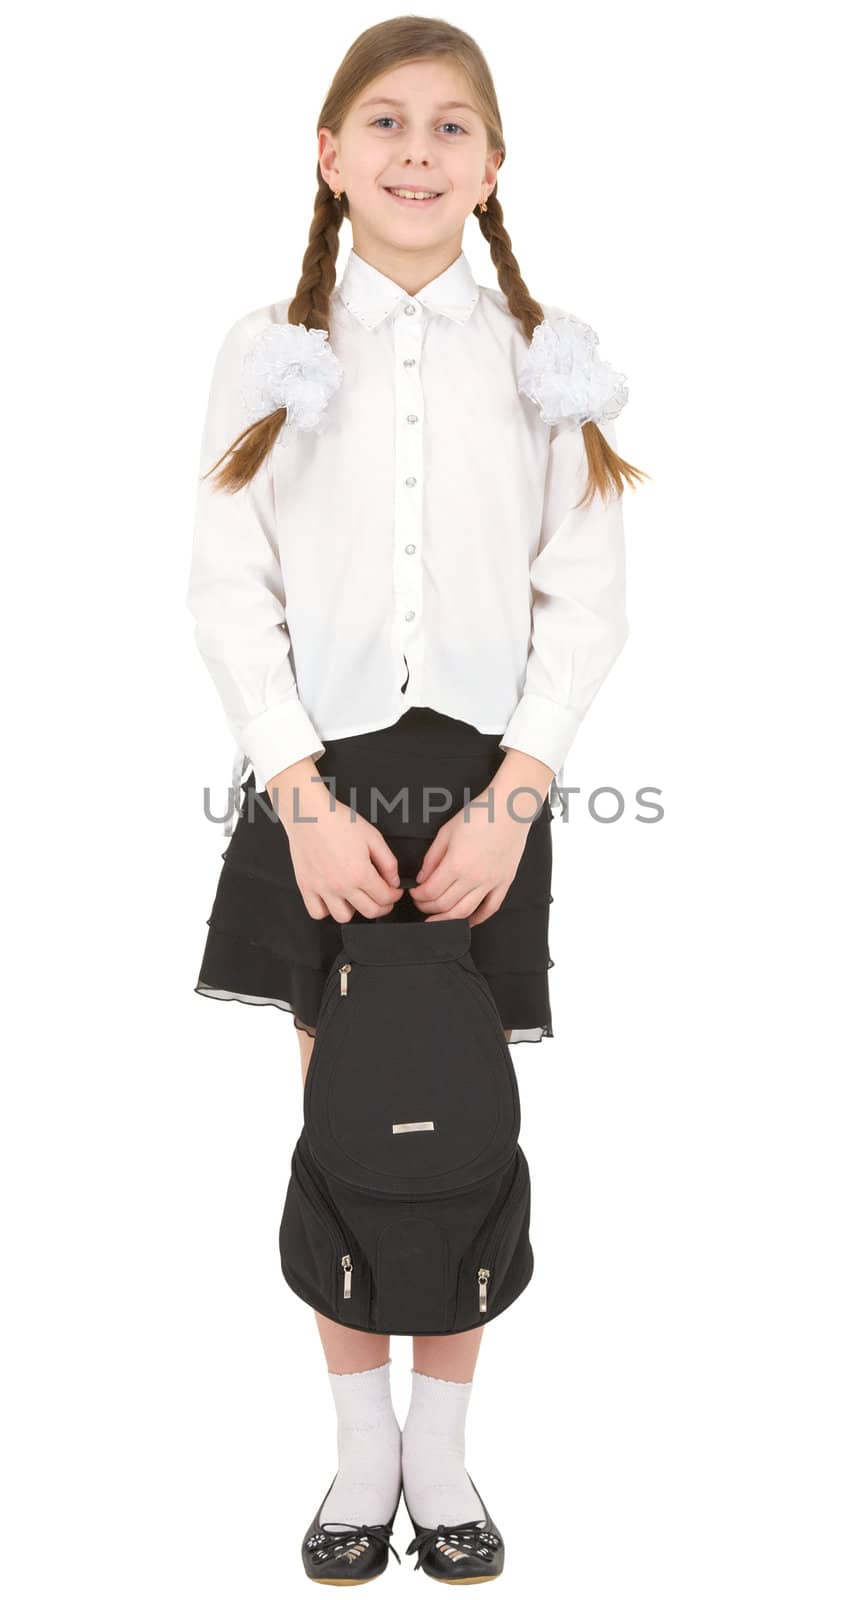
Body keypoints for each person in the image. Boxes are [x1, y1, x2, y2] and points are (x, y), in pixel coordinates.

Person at [185, 15, 647, 1584]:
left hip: (479, 783)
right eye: (383, 124)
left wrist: (518, 795)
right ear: (328, 156)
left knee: (453, 1135)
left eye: (452, 129)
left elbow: (586, 592)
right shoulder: (266, 347)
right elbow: (225, 583)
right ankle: (355, 1459)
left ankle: (442, 1458)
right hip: (315, 775)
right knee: (347, 1130)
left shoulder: (545, 351)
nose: (415, 153)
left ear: (494, 166)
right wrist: (294, 788)